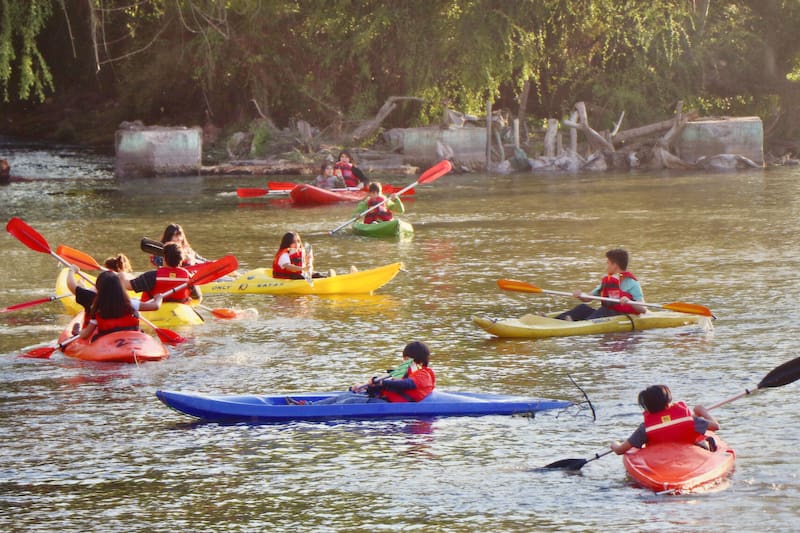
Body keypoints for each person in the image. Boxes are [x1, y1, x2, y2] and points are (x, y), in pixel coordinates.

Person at [286, 341, 435, 405]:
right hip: (382, 399)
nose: (404, 362)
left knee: (349, 402)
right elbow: (389, 386)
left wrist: (381, 382)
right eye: (404, 359)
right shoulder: (404, 372)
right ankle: (306, 405)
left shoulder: (423, 374)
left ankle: (307, 409)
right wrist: (365, 387)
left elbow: (406, 385)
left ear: (419, 361)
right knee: (346, 396)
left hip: (390, 404)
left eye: (408, 359)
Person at [610, 384, 721, 455]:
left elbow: (620, 450)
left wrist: (614, 443)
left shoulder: (645, 429)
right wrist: (702, 411)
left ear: (647, 408)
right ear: (668, 404)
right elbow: (715, 426)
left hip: (660, 459)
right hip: (689, 454)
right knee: (703, 442)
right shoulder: (689, 421)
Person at [556, 248, 646, 321]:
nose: (606, 266)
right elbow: (588, 298)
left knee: (604, 310)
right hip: (604, 314)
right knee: (582, 308)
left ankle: (576, 323)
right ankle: (555, 320)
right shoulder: (608, 281)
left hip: (619, 316)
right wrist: (580, 295)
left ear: (614, 265)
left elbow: (643, 309)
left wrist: (630, 302)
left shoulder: (633, 283)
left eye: (608, 263)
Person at [78, 271, 163, 341]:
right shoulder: (131, 303)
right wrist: (159, 297)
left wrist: (78, 332)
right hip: (132, 340)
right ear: (120, 287)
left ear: (99, 289)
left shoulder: (98, 308)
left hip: (108, 343)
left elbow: (85, 335)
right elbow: (155, 306)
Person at [66, 254, 135, 328]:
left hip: (98, 332)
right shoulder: (126, 300)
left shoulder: (93, 298)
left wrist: (71, 270)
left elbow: (71, 285)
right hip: (120, 331)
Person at [123, 243, 199, 303]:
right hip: (180, 311)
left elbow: (127, 286)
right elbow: (197, 297)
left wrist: (120, 275)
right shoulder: (188, 276)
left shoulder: (152, 276)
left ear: (164, 258)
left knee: (134, 299)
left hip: (153, 310)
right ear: (181, 260)